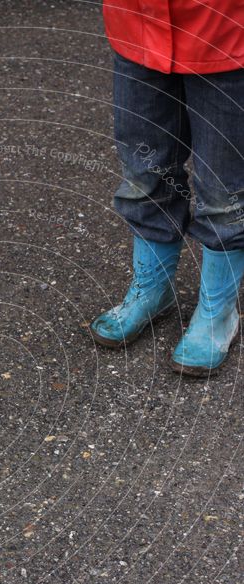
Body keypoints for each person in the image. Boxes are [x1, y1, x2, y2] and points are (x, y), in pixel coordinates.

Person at [90, 1, 244, 376]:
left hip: (228, 35)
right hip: (137, 26)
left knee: (226, 190)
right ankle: (153, 291)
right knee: (145, 174)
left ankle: (217, 312)